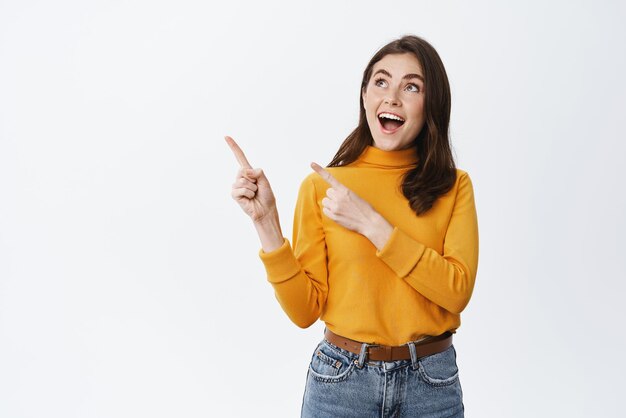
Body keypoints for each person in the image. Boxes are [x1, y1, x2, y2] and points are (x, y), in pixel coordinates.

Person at [226, 34, 478, 418]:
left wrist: (373, 225)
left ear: (432, 105)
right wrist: (266, 223)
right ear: (365, 96)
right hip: (340, 382)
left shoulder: (454, 185)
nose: (392, 97)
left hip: (431, 384)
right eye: (381, 81)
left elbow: (455, 291)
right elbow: (304, 312)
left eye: (411, 86)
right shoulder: (322, 187)